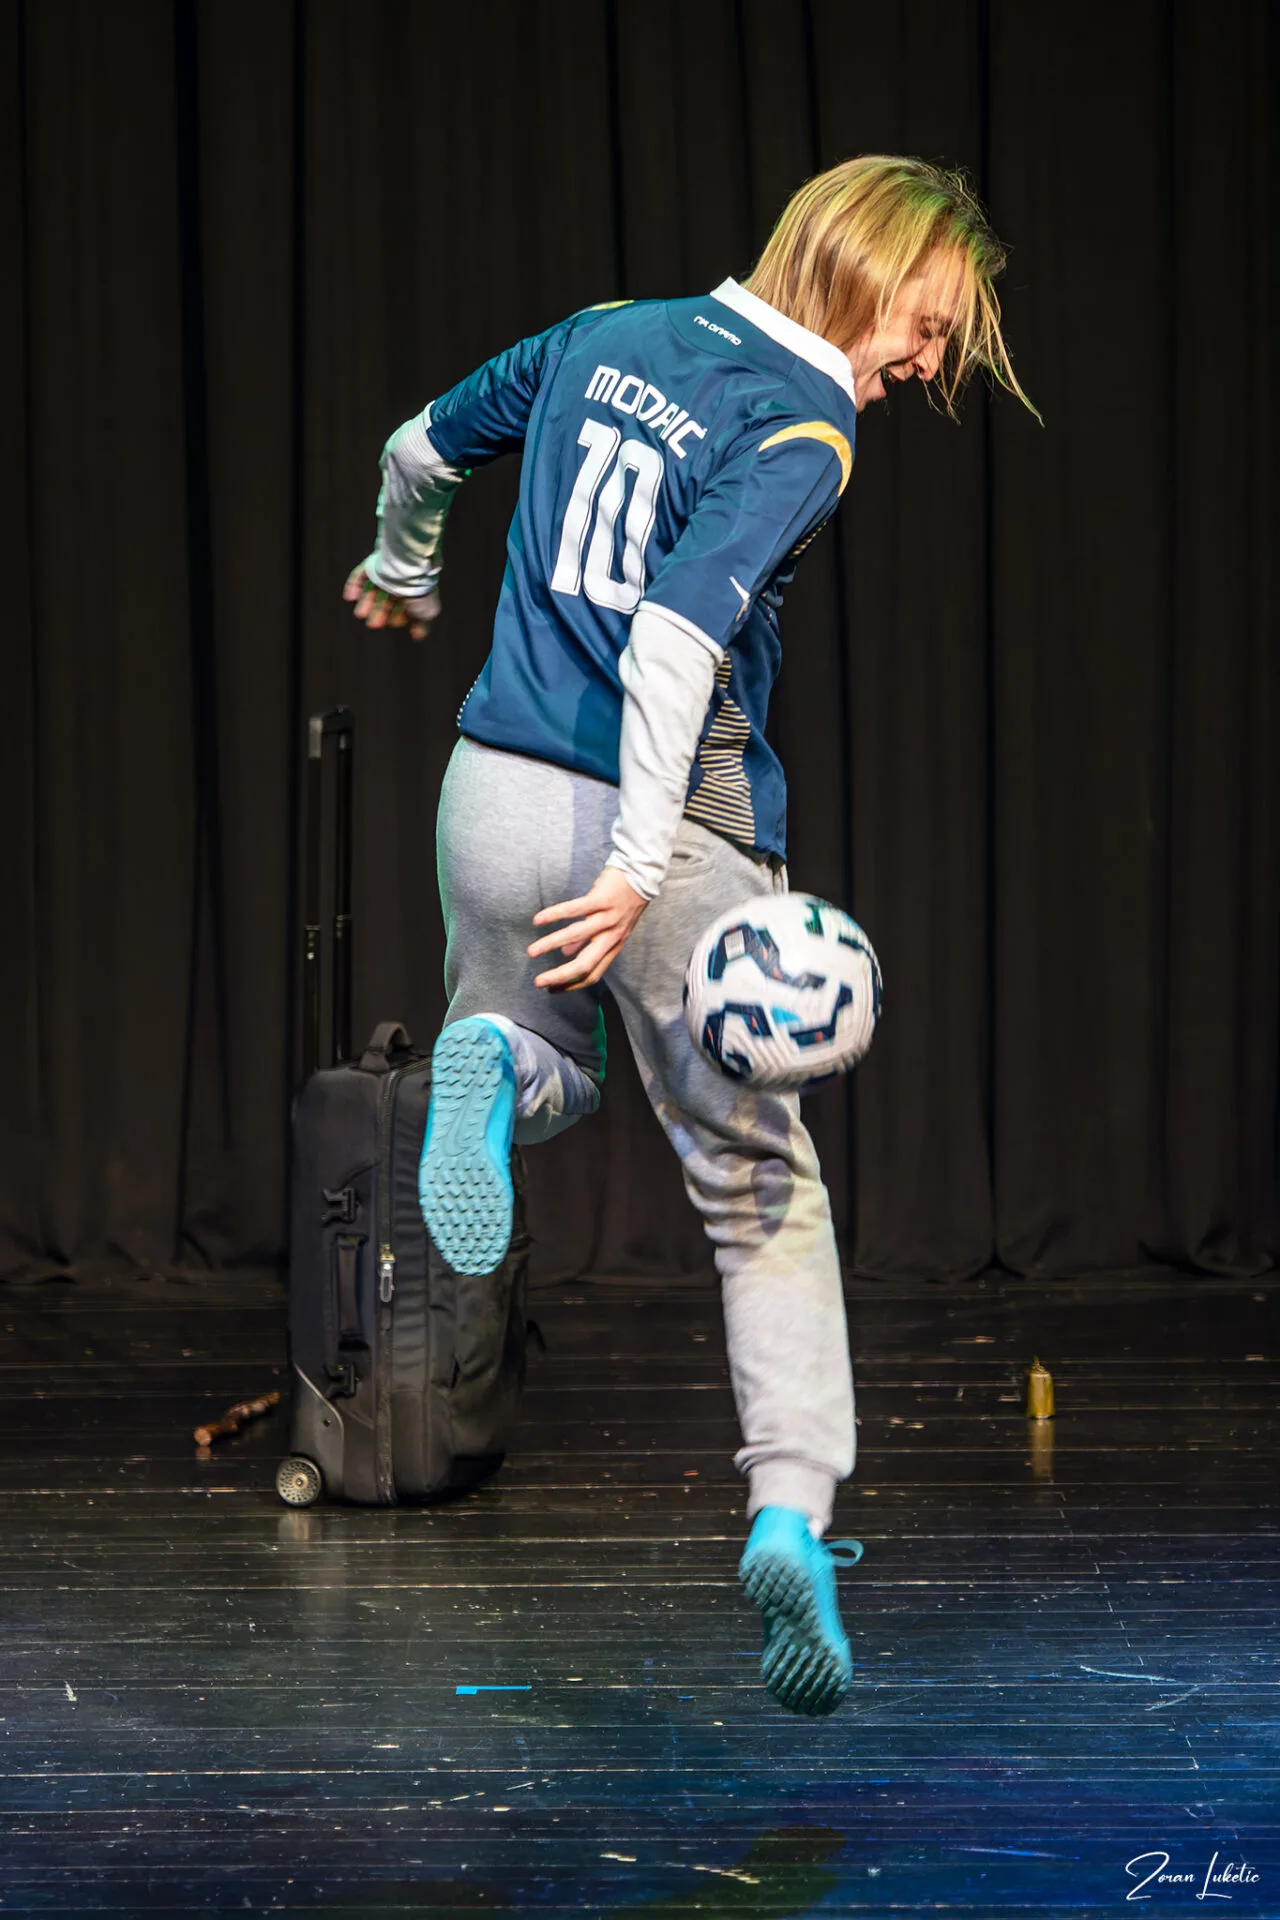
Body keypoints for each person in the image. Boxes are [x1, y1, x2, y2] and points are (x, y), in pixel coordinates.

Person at [344, 155, 1033, 1716]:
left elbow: (416, 449)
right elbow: (671, 638)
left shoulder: (603, 330)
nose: (924, 366)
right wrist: (643, 863)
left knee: (538, 1059)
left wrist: (400, 566)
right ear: (862, 269)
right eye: (928, 325)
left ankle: (481, 1060)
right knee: (758, 1186)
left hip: (487, 792)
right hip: (654, 832)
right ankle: (791, 1513)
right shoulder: (804, 423)